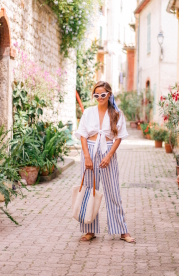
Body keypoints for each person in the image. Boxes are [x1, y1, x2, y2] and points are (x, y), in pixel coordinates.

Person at [74, 81, 136, 243]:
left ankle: (122, 230)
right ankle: (89, 230)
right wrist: (87, 156)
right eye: (96, 95)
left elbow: (119, 137)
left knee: (113, 191)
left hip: (108, 150)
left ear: (109, 94)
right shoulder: (88, 112)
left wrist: (108, 156)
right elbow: (82, 135)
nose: (100, 97)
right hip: (90, 149)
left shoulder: (116, 113)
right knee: (89, 190)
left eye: (103, 94)